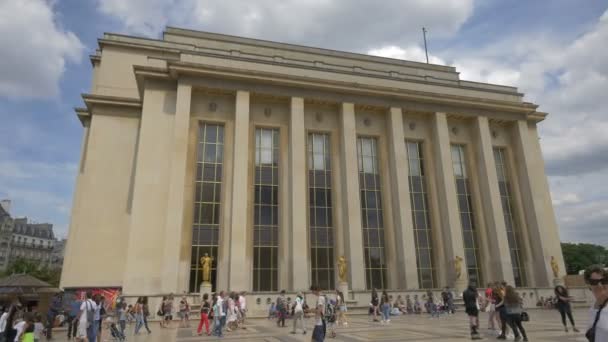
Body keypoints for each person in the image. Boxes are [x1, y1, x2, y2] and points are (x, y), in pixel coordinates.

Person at [584, 265, 608, 341]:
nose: (600, 285)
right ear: (589, 285)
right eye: (594, 282)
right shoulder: (593, 308)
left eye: (604, 280)